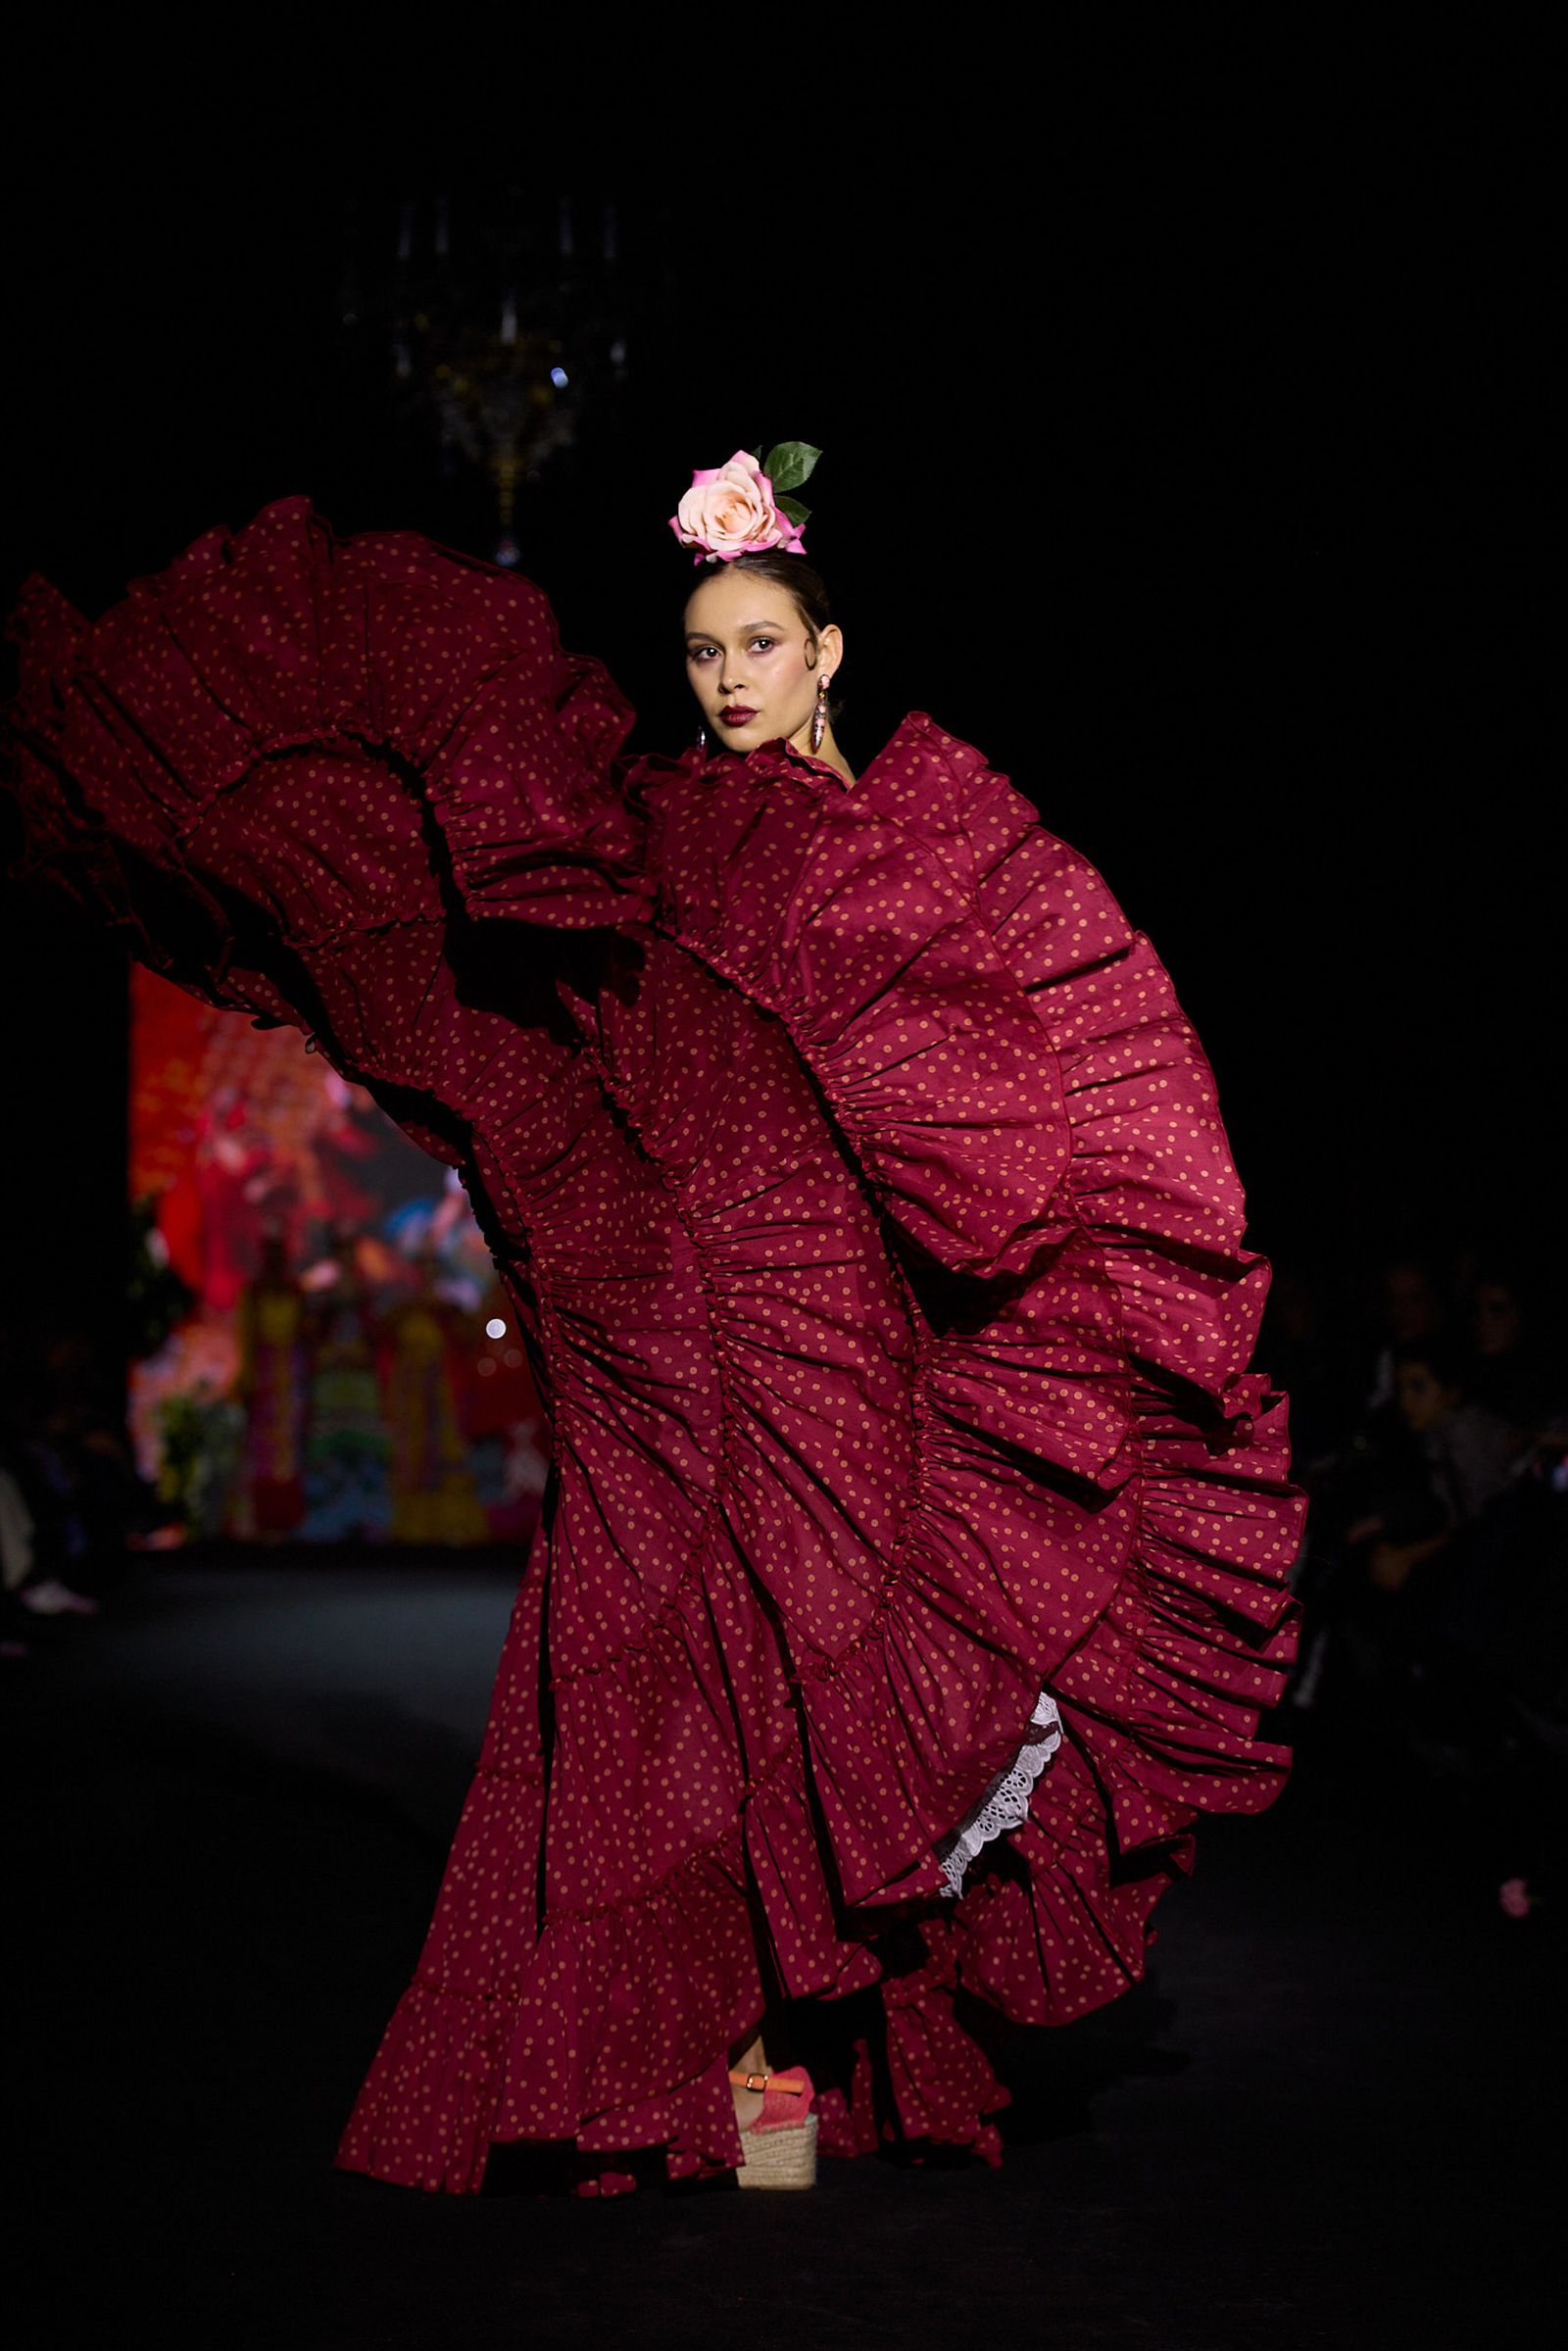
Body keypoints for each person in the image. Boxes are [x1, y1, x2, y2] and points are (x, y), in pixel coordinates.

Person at [1, 445, 1304, 2196]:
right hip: (658, 1373)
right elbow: (540, 1038)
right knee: (676, 1756)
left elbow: (1007, 1128)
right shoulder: (661, 840)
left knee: (820, 1747)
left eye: (760, 642)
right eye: (704, 652)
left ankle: (786, 2121)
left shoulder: (916, 849)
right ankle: (747, 2124)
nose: (730, 678)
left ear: (826, 649)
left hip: (834, 1384)